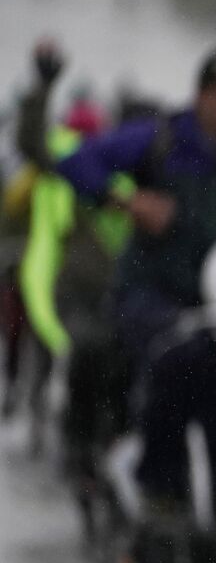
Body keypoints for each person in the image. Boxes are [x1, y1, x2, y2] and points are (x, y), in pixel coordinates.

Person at [56, 43, 216, 511]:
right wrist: (127, 200)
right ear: (202, 95)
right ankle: (161, 490)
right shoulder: (160, 139)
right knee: (179, 360)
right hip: (154, 294)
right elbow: (77, 163)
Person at [15, 39, 132, 476]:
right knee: (80, 352)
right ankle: (72, 441)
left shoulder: (133, 176)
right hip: (69, 291)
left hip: (122, 296)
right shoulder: (71, 170)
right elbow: (32, 143)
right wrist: (43, 86)